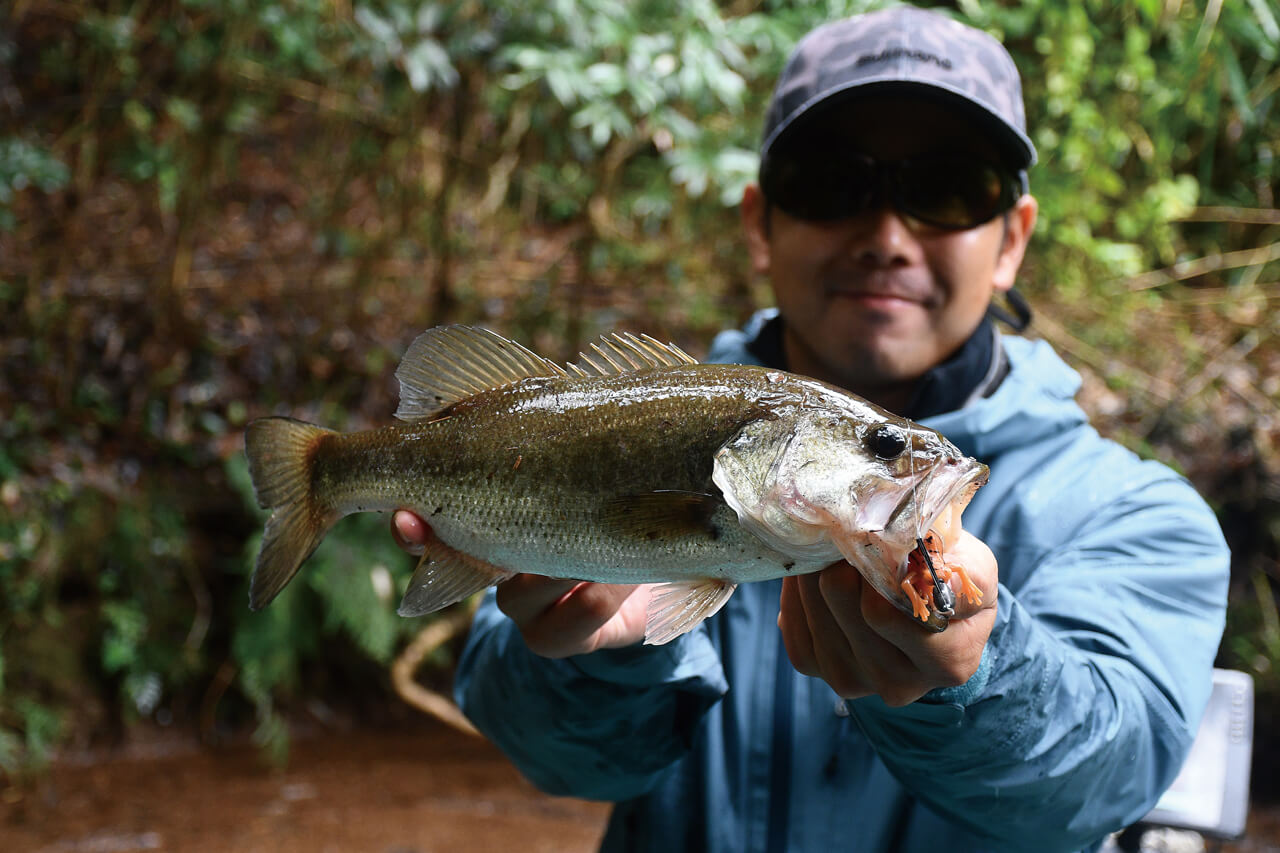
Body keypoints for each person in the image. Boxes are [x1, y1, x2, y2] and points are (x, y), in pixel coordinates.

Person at [392, 6, 1230, 851]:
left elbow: (1107, 777)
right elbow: (548, 751)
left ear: (1012, 241)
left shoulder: (1139, 517)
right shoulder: (616, 430)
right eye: (832, 183)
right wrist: (606, 657)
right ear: (759, 224)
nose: (887, 235)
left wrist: (978, 676)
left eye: (946, 188)